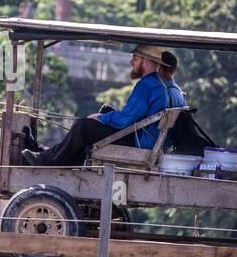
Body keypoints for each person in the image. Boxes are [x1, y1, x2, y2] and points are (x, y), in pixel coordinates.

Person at [22, 44, 172, 167]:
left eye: (135, 58)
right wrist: (105, 116)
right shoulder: (158, 85)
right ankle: (48, 153)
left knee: (83, 127)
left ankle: (46, 161)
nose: (131, 62)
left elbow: (126, 119)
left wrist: (101, 117)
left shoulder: (146, 86)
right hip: (141, 138)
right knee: (102, 114)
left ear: (146, 61)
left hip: (137, 142)